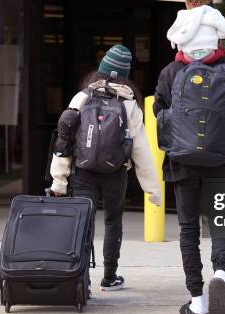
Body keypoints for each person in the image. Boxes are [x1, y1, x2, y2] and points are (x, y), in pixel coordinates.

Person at [154, 0, 225, 314]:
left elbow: (159, 113)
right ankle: (221, 275)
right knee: (219, 224)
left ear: (184, 1)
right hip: (222, 163)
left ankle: (197, 300)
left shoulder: (171, 73)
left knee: (187, 229)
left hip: (183, 163)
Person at [50, 44, 162, 292]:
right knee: (113, 222)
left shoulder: (82, 98)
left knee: (83, 223)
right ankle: (110, 277)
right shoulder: (130, 104)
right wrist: (152, 190)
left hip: (84, 172)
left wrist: (59, 180)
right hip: (115, 173)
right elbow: (140, 149)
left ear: (101, 70)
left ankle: (81, 279)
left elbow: (65, 140)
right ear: (125, 75)